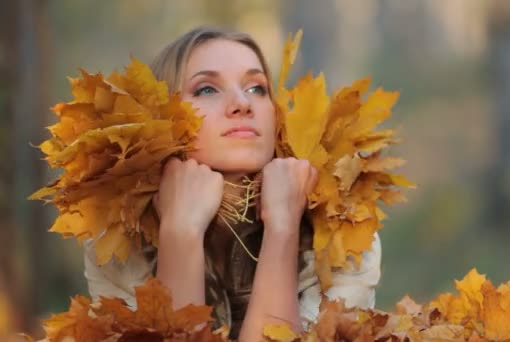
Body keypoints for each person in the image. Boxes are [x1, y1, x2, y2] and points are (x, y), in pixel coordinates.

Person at [82, 27, 381, 341]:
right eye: (207, 89)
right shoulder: (119, 241)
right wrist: (180, 232)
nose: (242, 104)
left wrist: (283, 225)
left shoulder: (342, 234)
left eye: (256, 88)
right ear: (162, 118)